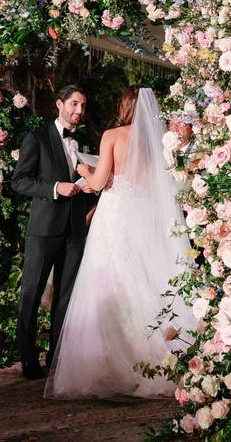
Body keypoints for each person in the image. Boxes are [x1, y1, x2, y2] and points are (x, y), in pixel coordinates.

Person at [45, 87, 193, 399]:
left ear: (124, 107)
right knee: (141, 279)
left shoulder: (113, 134)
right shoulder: (156, 142)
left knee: (108, 283)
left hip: (114, 217)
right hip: (142, 216)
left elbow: (99, 183)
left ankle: (113, 361)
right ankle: (153, 356)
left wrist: (84, 168)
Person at [11, 84, 97, 380]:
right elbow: (20, 181)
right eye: (74, 104)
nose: (79, 111)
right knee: (31, 294)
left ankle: (57, 359)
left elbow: (94, 179)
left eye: (83, 106)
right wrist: (54, 188)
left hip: (75, 229)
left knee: (66, 297)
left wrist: (90, 201)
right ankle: (28, 359)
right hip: (44, 229)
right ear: (59, 104)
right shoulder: (37, 139)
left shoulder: (84, 141)